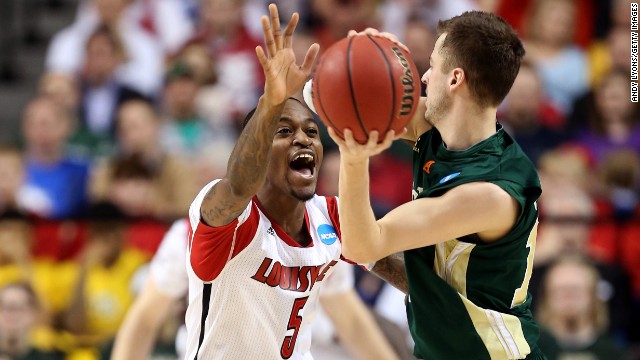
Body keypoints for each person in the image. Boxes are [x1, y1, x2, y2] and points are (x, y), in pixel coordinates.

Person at [183, 4, 399, 359]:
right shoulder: (231, 216)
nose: (304, 139)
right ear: (257, 147)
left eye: (312, 132)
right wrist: (271, 101)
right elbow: (239, 184)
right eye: (284, 130)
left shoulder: (331, 216)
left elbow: (403, 271)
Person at [327, 11, 546, 359]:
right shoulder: (436, 127)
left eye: (432, 65)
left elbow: (363, 246)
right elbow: (348, 102)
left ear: (455, 79)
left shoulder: (490, 193)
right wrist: (357, 59)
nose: (425, 77)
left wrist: (352, 159)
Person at [112, 219, 399, 360]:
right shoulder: (191, 235)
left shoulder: (320, 229)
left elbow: (352, 323)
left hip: (323, 345)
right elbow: (143, 321)